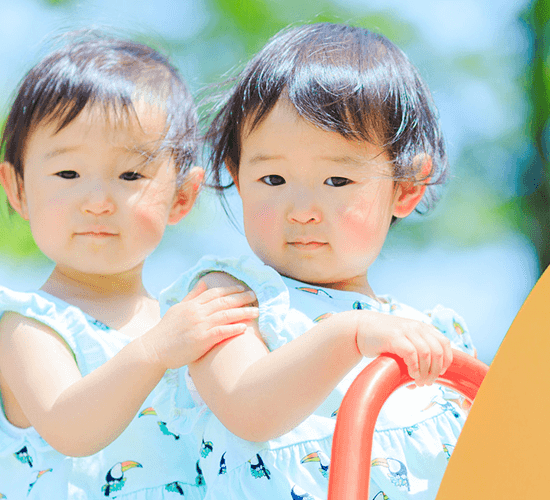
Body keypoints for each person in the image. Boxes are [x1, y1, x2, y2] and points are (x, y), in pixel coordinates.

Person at [159, 23, 477, 500]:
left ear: (406, 188)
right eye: (272, 179)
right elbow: (250, 408)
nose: (302, 209)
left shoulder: (433, 338)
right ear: (237, 178)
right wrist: (347, 335)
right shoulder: (231, 300)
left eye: (336, 182)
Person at [0, 32, 259, 499]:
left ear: (182, 196)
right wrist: (157, 350)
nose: (97, 201)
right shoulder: (25, 325)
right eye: (68, 174)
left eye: (130, 175)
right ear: (18, 188)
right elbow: (71, 429)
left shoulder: (183, 320)